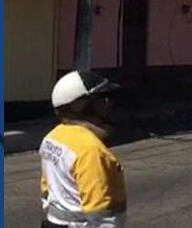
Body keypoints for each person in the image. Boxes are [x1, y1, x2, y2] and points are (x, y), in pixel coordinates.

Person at [39, 71, 127, 228]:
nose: (109, 103)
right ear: (82, 106)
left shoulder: (52, 138)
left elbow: (46, 190)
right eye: (102, 99)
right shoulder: (91, 150)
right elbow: (100, 213)